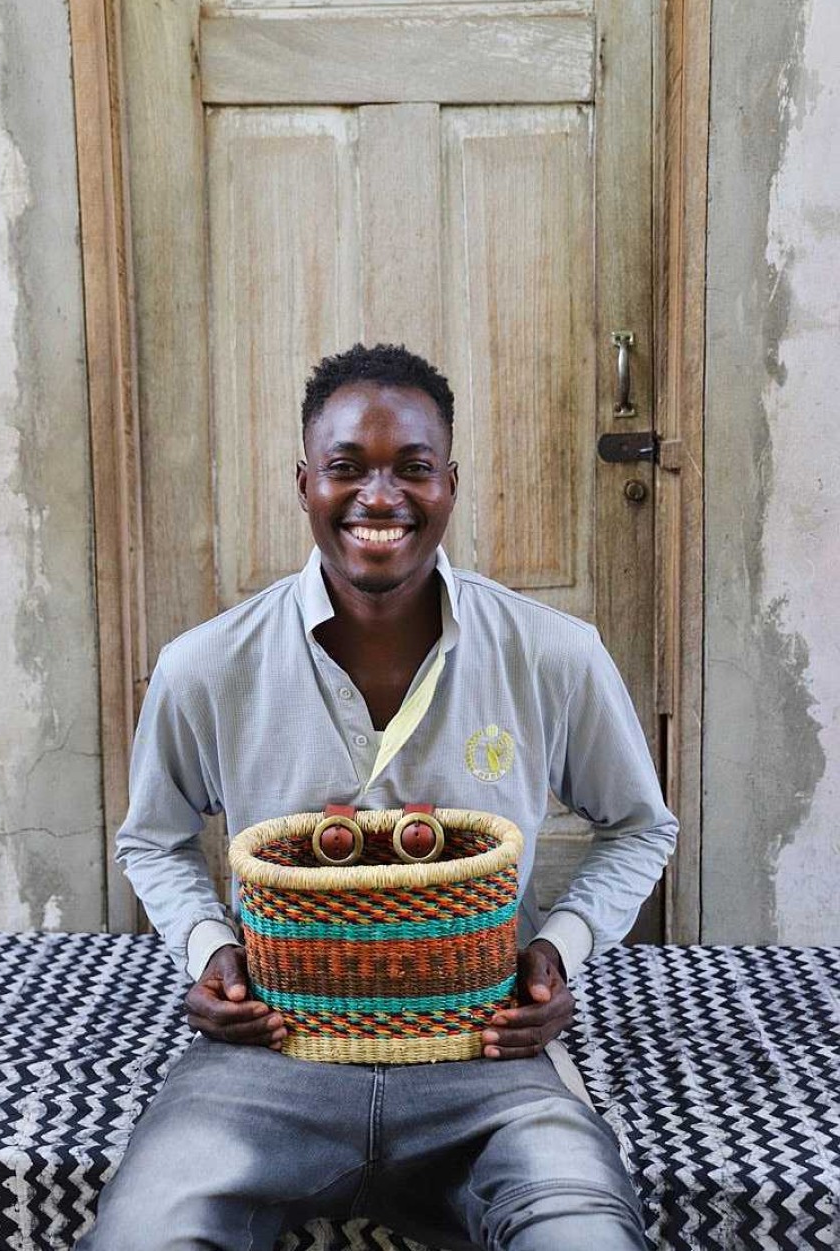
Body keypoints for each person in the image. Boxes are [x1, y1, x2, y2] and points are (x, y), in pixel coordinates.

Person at [80, 343, 678, 1251]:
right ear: (304, 483)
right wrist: (208, 951)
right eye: (346, 468)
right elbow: (153, 839)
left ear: (450, 485)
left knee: (584, 1233)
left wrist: (560, 946)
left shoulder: (552, 653)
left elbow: (639, 824)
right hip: (269, 1053)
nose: (379, 496)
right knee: (144, 1235)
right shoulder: (205, 664)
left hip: (485, 1055)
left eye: (413, 468)